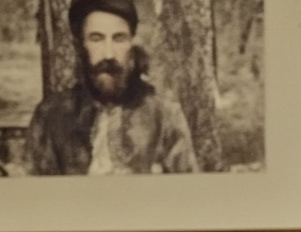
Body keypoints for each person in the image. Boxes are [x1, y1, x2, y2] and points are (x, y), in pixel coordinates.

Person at [24, 0, 197, 176]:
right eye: (96, 39)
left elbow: (187, 195)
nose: (108, 54)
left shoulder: (164, 114)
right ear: (79, 46)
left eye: (119, 38)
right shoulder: (51, 116)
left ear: (131, 44)